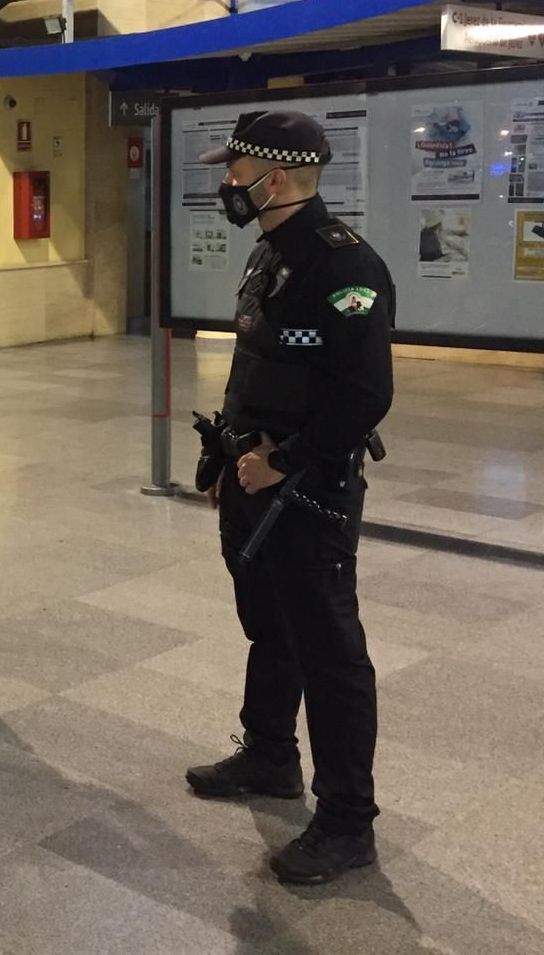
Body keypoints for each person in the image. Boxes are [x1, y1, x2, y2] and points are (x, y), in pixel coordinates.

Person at [185, 110, 395, 887]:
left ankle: (347, 821)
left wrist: (290, 462)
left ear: (274, 179)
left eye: (234, 170)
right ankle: (270, 753)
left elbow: (366, 393)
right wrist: (227, 461)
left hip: (309, 494)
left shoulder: (345, 268)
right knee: (269, 625)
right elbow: (259, 368)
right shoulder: (269, 254)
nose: (226, 183)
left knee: (330, 652)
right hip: (253, 485)